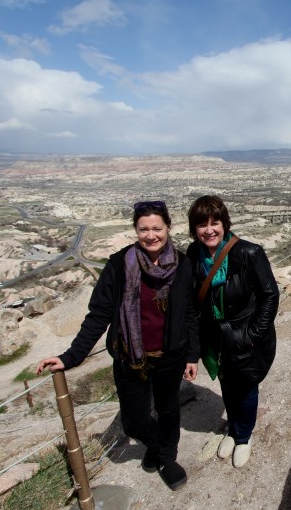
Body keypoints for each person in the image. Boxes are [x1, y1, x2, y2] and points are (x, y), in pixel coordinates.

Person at [36, 200, 199, 491]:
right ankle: (158, 445)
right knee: (133, 421)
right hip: (130, 357)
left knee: (168, 409)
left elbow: (189, 314)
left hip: (170, 356)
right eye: (143, 229)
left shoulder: (183, 265)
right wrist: (71, 357)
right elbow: (98, 314)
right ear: (136, 230)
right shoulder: (119, 265)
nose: (151, 235)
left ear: (168, 228)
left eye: (157, 228)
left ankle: (167, 458)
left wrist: (191, 355)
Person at [186, 195, 278, 468]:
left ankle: (244, 436)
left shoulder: (249, 253)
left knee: (246, 386)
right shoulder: (194, 255)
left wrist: (251, 335)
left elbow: (270, 296)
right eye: (202, 225)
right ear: (194, 229)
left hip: (245, 336)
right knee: (226, 383)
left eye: (215, 222)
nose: (209, 230)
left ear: (225, 224)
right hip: (215, 338)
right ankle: (233, 429)